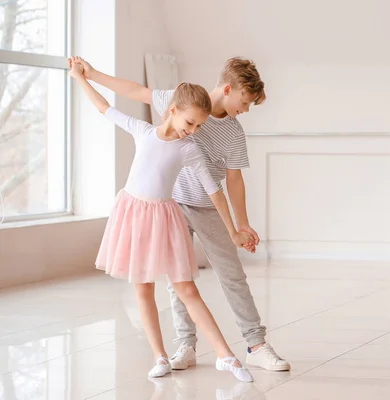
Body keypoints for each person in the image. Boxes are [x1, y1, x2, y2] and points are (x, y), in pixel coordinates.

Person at [75, 56, 291, 371]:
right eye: (244, 102)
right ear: (228, 89)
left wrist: (240, 224)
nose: (245, 110)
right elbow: (134, 91)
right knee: (177, 279)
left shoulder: (233, 133)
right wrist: (91, 74)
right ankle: (185, 345)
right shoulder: (182, 99)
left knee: (232, 274)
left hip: (205, 207)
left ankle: (255, 344)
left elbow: (232, 179)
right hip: (169, 206)